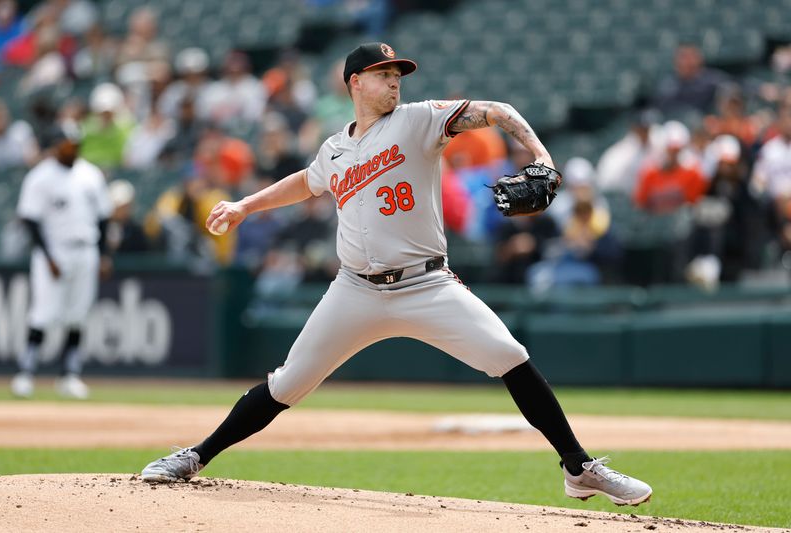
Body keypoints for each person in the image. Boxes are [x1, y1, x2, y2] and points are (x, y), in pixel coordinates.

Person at [140, 42, 652, 506]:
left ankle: (578, 468)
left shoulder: (417, 120)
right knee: (287, 383)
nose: (394, 82)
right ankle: (195, 456)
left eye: (397, 75)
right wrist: (245, 206)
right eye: (383, 73)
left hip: (426, 283)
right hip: (354, 289)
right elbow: (308, 181)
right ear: (354, 82)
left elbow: (498, 112)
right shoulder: (335, 148)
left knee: (509, 355)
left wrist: (542, 158)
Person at [10, 124, 113, 400]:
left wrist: (103, 254)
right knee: (43, 311)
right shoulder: (40, 177)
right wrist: (48, 256)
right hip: (53, 250)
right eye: (67, 144)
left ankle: (69, 374)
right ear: (55, 145)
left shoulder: (90, 174)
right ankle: (26, 372)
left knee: (78, 314)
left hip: (86, 249)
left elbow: (104, 218)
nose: (72, 148)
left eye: (75, 144)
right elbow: (30, 221)